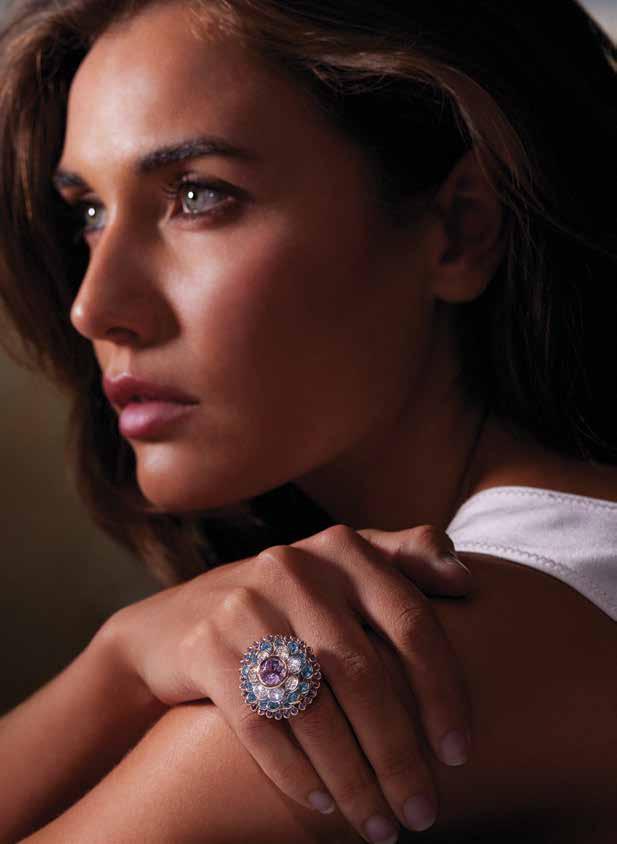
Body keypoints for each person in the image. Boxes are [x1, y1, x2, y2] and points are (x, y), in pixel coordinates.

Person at [0, 0, 616, 841]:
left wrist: (114, 680)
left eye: (197, 195)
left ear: (459, 229)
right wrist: (122, 661)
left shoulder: (362, 688)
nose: (93, 305)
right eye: (90, 213)